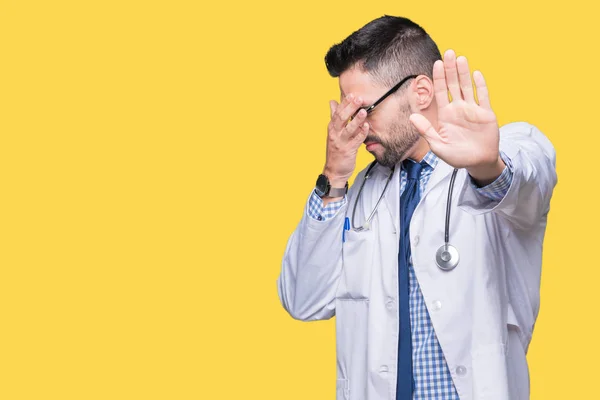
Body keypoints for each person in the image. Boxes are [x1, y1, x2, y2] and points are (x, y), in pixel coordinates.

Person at [276, 15, 557, 400]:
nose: (356, 129)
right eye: (347, 113)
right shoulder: (356, 194)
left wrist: (487, 166)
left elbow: (528, 181)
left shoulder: (504, 152)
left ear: (421, 92)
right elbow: (303, 300)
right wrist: (333, 176)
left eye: (366, 110)